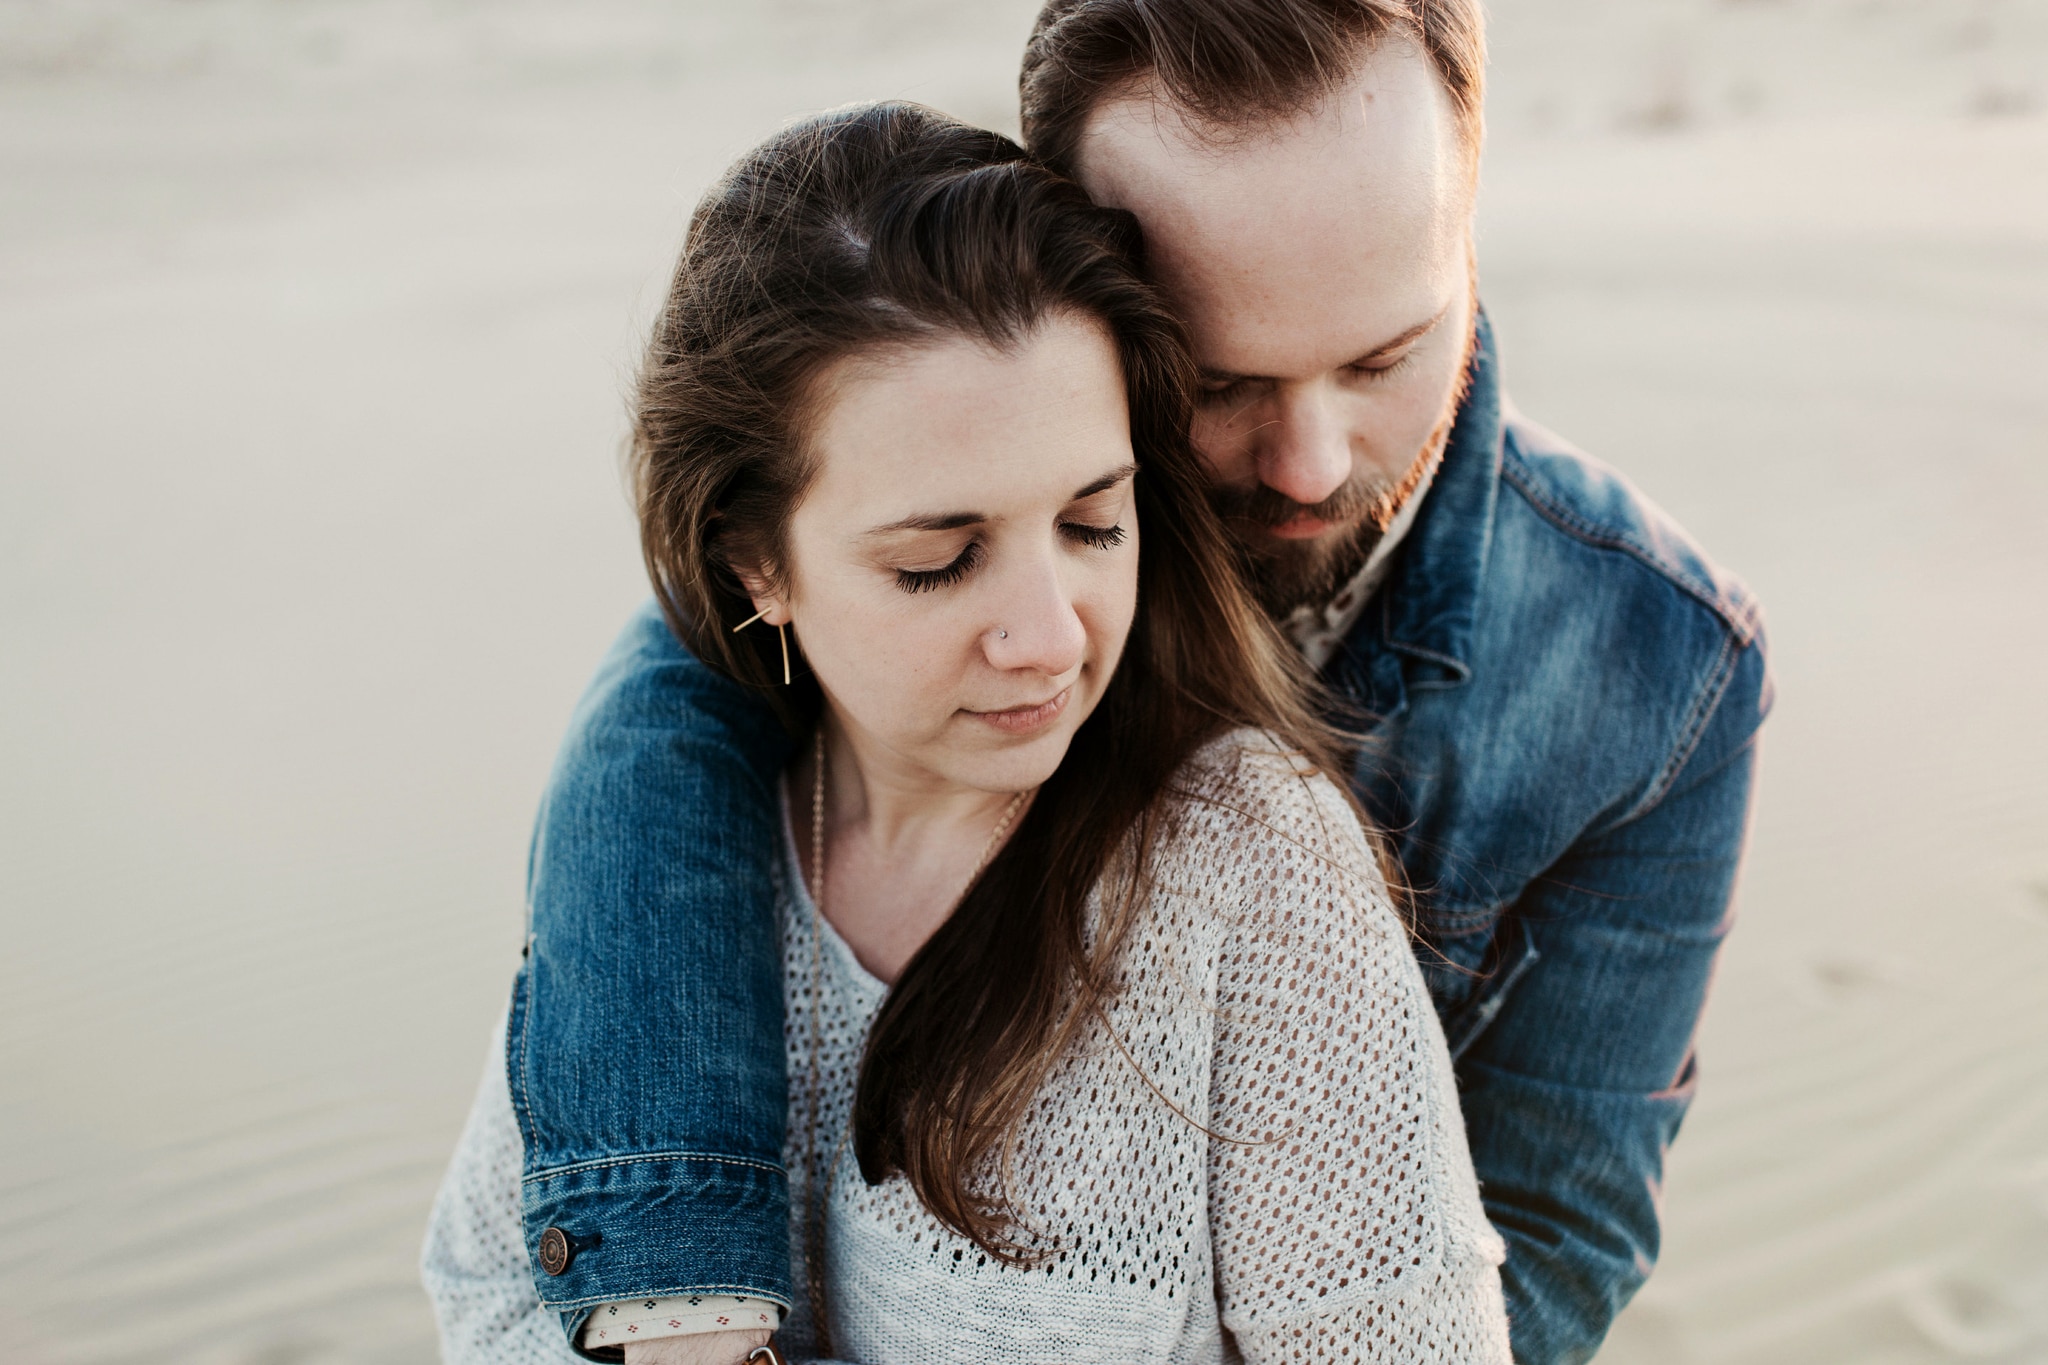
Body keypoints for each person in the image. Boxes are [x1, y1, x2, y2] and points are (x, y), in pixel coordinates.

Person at [477, 3, 1771, 1364]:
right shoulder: (868, 548)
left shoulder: (1662, 665)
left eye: (1388, 353)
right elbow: (674, 697)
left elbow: (1555, 1228)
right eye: (1220, 380)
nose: (1312, 462)